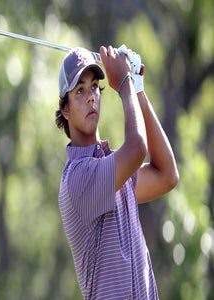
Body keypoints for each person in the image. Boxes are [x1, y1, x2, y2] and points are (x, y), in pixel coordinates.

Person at [55, 46, 179, 299]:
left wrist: (138, 87)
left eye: (94, 87)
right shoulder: (78, 178)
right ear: (65, 110)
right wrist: (124, 84)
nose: (91, 97)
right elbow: (137, 148)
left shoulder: (113, 170)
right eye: (79, 91)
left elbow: (167, 176)